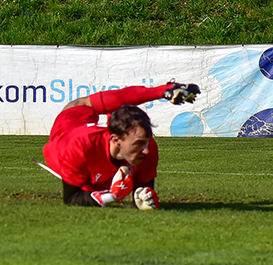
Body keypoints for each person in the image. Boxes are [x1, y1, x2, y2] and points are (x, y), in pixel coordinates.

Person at [41, 82, 199, 208]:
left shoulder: (148, 147)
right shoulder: (80, 147)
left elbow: (143, 191)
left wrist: (144, 197)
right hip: (67, 128)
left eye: (145, 142)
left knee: (122, 114)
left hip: (100, 144)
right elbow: (71, 197)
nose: (146, 150)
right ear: (116, 140)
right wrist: (110, 196)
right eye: (138, 144)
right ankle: (164, 89)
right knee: (86, 104)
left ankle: (166, 90)